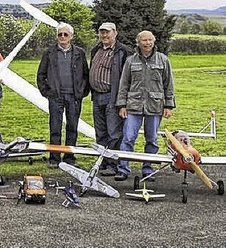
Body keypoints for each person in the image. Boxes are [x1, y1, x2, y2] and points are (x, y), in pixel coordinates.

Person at [114, 30, 175, 181]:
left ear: (154, 41)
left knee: (152, 139)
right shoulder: (130, 61)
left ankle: (148, 169)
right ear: (138, 43)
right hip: (133, 106)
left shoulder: (163, 60)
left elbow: (169, 84)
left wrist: (168, 105)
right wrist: (122, 105)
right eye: (144, 40)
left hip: (155, 106)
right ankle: (123, 169)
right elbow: (124, 84)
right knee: (128, 138)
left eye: (150, 40)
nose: (147, 43)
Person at [36, 23, 90, 168]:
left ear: (71, 36)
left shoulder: (79, 53)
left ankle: (69, 157)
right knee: (55, 127)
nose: (62, 37)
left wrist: (81, 92)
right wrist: (47, 92)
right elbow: (41, 75)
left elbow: (86, 74)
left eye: (65, 34)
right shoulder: (49, 53)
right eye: (60, 34)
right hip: (56, 96)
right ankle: (54, 157)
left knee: (72, 127)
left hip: (73, 96)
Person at [89, 22, 133, 176]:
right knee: (100, 132)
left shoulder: (123, 51)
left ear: (115, 33)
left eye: (107, 32)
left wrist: (122, 101)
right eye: (102, 32)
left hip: (112, 96)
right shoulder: (96, 50)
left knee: (114, 132)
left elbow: (128, 78)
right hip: (97, 96)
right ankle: (103, 161)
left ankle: (113, 163)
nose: (104, 35)